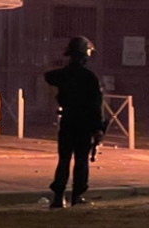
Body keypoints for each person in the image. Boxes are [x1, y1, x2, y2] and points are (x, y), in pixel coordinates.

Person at [45, 36, 105, 208]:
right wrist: (98, 128)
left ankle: (58, 196)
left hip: (68, 120)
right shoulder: (89, 77)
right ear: (85, 56)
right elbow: (95, 105)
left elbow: (49, 75)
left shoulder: (63, 74)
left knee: (64, 160)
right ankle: (77, 195)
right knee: (81, 160)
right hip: (84, 123)